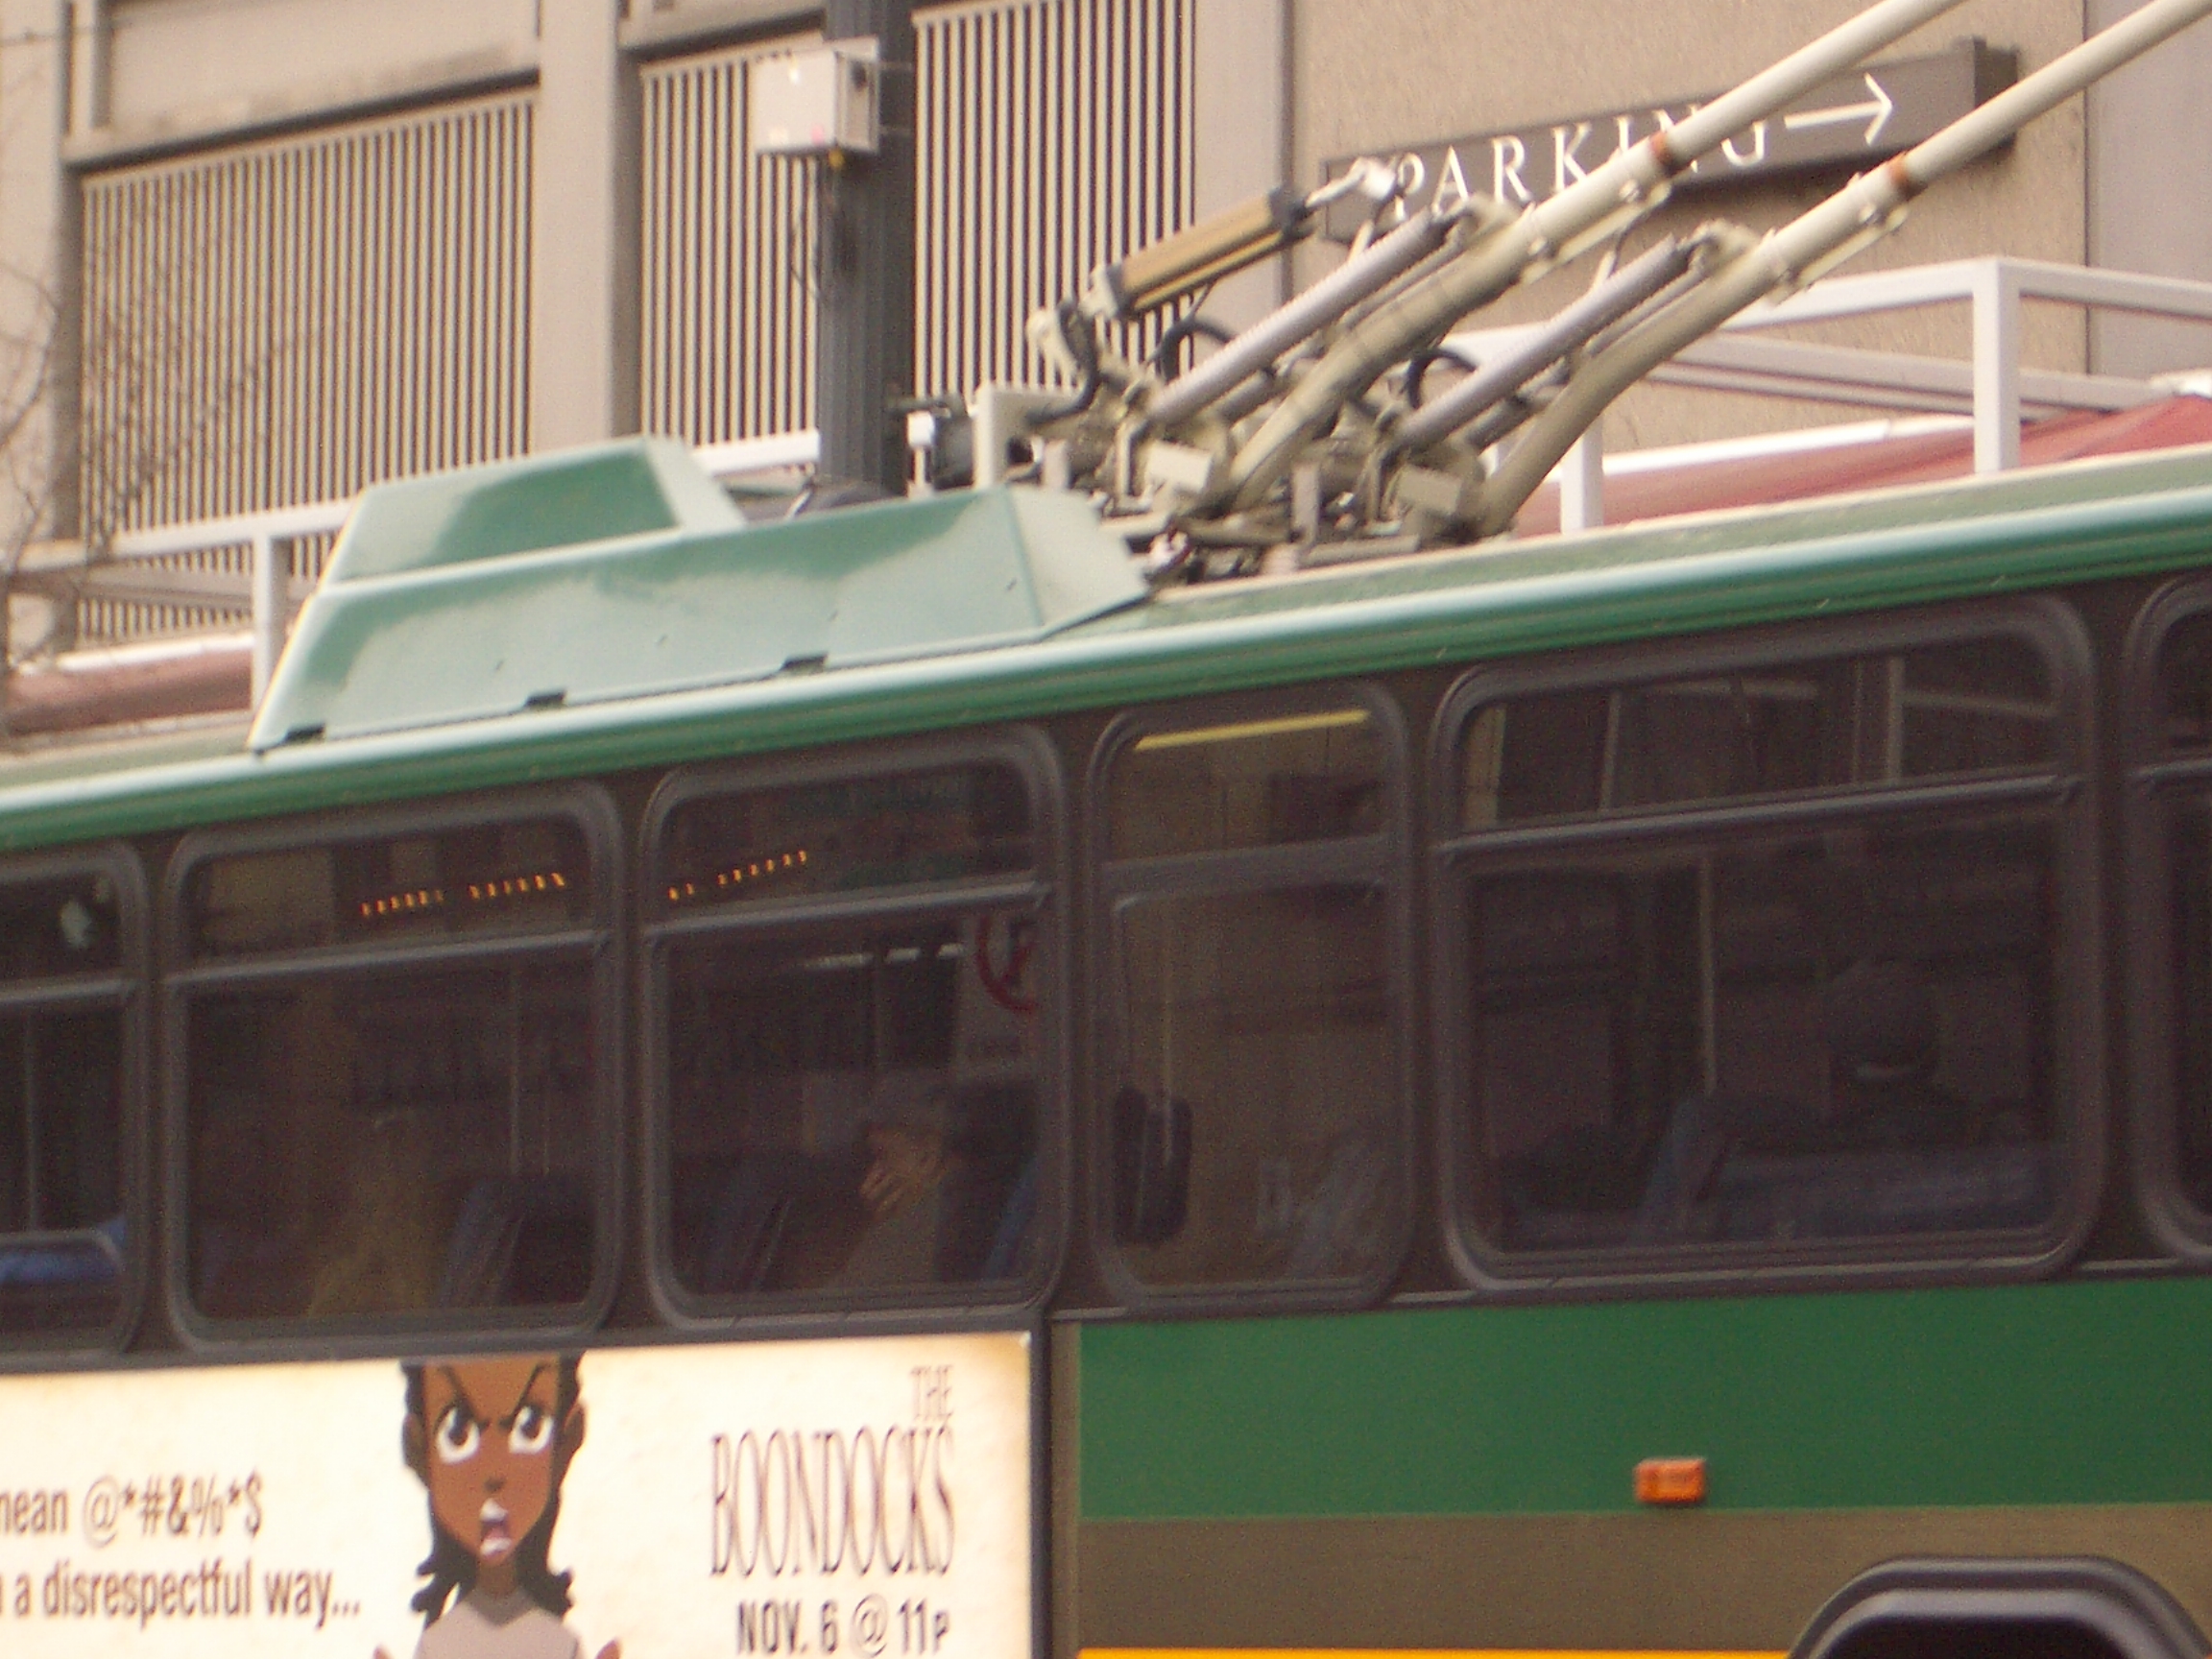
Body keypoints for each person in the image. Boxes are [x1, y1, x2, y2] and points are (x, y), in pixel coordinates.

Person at [373, 1355, 617, 1659]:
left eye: (530, 1427)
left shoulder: (558, 1643)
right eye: (457, 1433)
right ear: (419, 1448)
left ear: (567, 1438)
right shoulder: (439, 1644)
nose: (495, 1472)